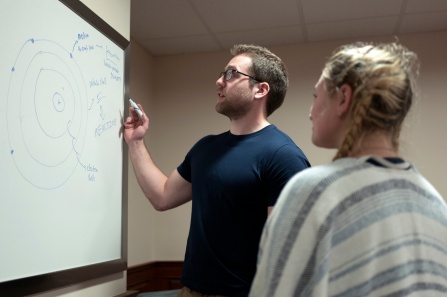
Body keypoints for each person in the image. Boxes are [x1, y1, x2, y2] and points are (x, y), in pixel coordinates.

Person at [249, 42, 447, 297]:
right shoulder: (436, 204)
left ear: (343, 98)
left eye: (315, 96)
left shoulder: (313, 191)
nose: (311, 112)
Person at [124, 44, 311, 297]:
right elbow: (162, 196)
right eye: (223, 73)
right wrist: (136, 142)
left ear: (261, 89)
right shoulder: (205, 148)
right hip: (190, 291)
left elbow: (286, 250)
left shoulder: (283, 156)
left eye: (232, 74)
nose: (219, 81)